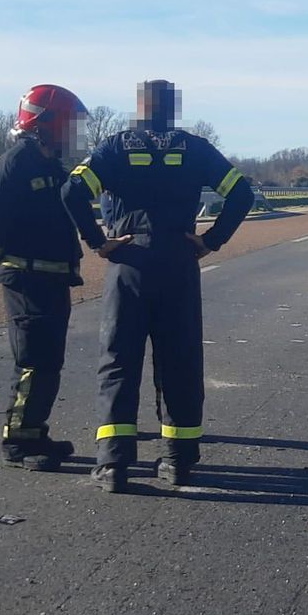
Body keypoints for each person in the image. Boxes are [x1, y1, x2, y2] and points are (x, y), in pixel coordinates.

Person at [61, 80, 254, 492]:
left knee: (118, 361)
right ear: (173, 109)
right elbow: (241, 192)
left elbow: (73, 190)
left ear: (139, 108)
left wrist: (98, 242)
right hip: (179, 262)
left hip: (129, 261)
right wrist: (210, 241)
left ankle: (113, 466)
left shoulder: (116, 147)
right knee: (180, 361)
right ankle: (178, 461)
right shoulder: (195, 147)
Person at [0, 84, 88, 471]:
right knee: (33, 361)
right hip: (27, 280)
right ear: (47, 124)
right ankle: (18, 444)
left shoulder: (50, 166)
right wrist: (2, 258)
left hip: (52, 280)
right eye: (69, 125)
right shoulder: (15, 163)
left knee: (48, 361)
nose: (74, 133)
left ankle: (35, 431)